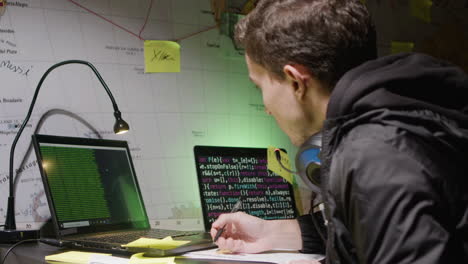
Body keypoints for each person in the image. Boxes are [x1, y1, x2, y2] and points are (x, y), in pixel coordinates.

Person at [209, 0, 468, 263]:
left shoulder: (376, 155)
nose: (266, 107)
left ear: (296, 82)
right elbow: (366, 228)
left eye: (259, 87)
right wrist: (272, 232)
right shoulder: (403, 121)